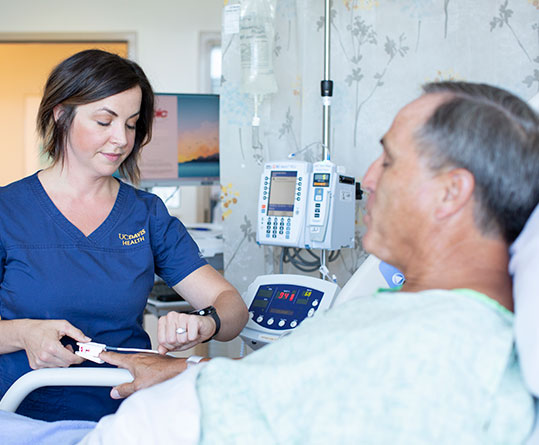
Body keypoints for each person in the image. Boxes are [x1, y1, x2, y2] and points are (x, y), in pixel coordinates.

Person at [79, 81, 539, 444]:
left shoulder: (437, 349)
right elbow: (295, 386)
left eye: (391, 160)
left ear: (451, 192)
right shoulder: (408, 319)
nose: (369, 178)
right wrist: (188, 371)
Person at [0, 49, 249, 422]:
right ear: (61, 114)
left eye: (132, 124)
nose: (121, 139)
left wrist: (206, 322)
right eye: (105, 121)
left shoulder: (146, 214)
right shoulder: (3, 209)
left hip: (128, 414)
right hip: (31, 413)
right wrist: (23, 334)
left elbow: (230, 305)